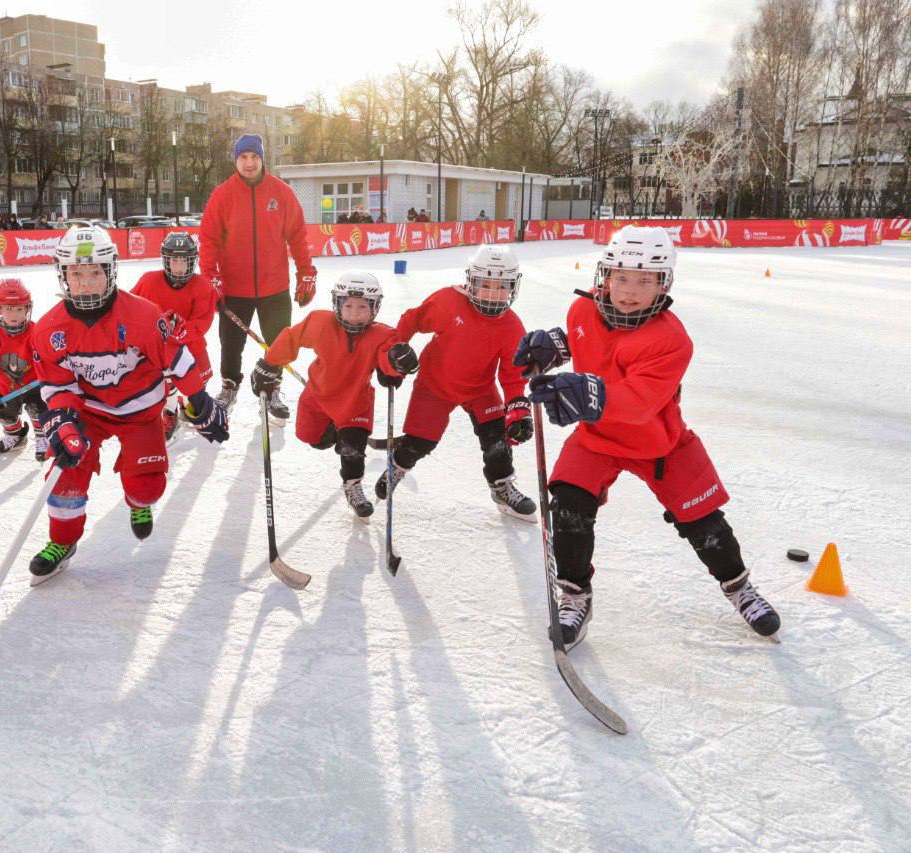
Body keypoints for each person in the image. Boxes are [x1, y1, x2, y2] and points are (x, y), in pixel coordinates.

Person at [513, 225, 781, 646]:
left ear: (663, 283)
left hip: (659, 443)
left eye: (645, 280)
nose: (630, 291)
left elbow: (638, 402)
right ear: (605, 276)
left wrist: (585, 392)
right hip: (596, 437)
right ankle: (576, 594)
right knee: (569, 505)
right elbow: (586, 340)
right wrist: (555, 347)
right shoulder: (582, 310)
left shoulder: (672, 341)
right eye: (621, 277)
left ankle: (738, 587)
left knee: (704, 522)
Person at [27, 226, 229, 583]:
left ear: (110, 272)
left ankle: (138, 503)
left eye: (94, 272)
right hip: (90, 412)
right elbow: (57, 386)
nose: (86, 282)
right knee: (65, 477)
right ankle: (62, 541)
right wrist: (64, 421)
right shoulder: (48, 330)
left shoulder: (143, 316)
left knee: (147, 485)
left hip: (140, 413)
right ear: (63, 275)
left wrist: (199, 400)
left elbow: (177, 360)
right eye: (76, 273)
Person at [375, 244, 536, 520]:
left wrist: (517, 406)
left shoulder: (512, 326)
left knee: (497, 438)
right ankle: (397, 466)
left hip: (480, 390)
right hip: (434, 385)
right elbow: (412, 320)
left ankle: (502, 486)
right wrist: (394, 351)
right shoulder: (449, 302)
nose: (493, 293)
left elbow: (512, 374)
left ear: (513, 287)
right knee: (420, 443)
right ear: (470, 281)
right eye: (485, 284)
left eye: (501, 286)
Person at [250, 271, 418, 518]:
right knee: (313, 439)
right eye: (348, 306)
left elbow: (387, 357)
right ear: (337, 304)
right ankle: (336, 434)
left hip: (355, 403)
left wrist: (397, 365)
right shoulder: (320, 322)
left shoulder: (382, 334)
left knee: (352, 449)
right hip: (317, 397)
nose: (354, 312)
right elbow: (292, 338)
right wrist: (270, 364)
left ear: (375, 308)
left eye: (363, 307)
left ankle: (353, 485)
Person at [199, 133, 316, 424]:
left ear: (262, 159)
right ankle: (230, 385)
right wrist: (210, 277)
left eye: (254, 157)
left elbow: (298, 236)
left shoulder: (282, 192)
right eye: (243, 157)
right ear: (235, 160)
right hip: (233, 287)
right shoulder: (222, 195)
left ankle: (273, 387)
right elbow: (209, 240)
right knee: (231, 343)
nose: (249, 163)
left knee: (278, 341)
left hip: (274, 286)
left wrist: (306, 273)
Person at [130, 231, 218, 441]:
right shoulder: (149, 281)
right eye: (174, 260)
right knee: (165, 379)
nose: (179, 266)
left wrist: (181, 328)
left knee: (199, 379)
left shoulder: (203, 286)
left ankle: (186, 404)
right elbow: (131, 307)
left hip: (191, 345)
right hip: (160, 347)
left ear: (193, 262)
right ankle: (170, 413)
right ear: (166, 261)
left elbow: (201, 323)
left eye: (184, 261)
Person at [0, 278, 46, 461]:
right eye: (8, 309)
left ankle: (42, 436)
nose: (14, 314)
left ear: (27, 309)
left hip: (34, 385)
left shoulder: (36, 332)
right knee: (4, 412)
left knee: (39, 409)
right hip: (7, 387)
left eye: (19, 309)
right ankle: (16, 435)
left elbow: (47, 357)